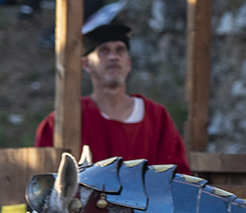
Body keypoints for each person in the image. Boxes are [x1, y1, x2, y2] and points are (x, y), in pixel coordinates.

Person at [30, 21, 190, 169]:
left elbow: (177, 177)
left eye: (120, 50)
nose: (113, 57)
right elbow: (46, 181)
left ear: (129, 63)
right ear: (86, 64)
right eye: (103, 51)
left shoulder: (156, 117)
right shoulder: (64, 120)